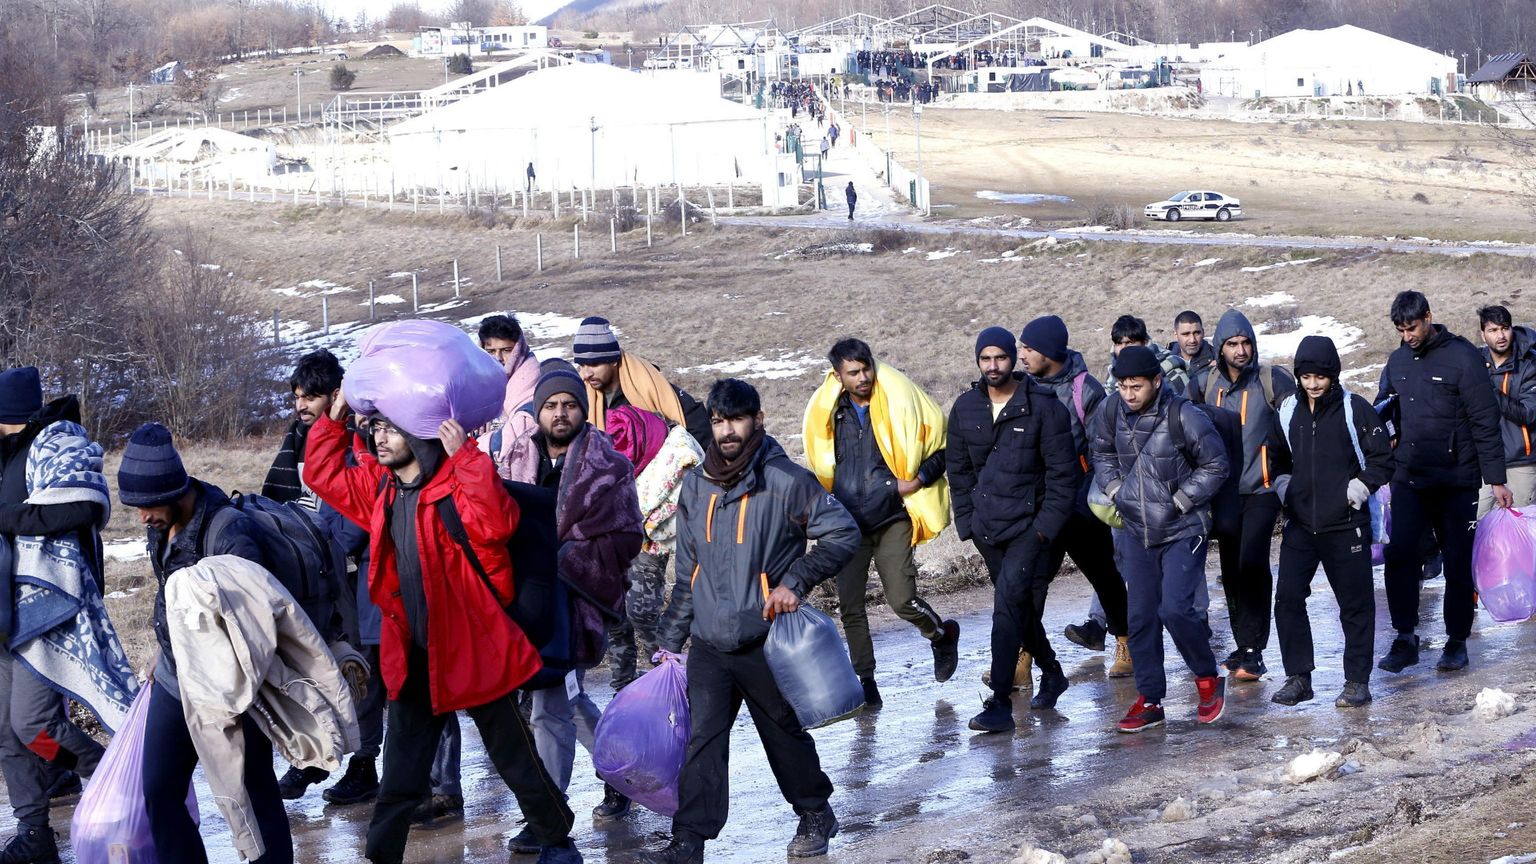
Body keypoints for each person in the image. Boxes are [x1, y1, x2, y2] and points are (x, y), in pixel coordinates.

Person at [304, 395, 581, 864]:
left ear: (419, 435)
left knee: (516, 759)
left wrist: (467, 457)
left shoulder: (455, 484)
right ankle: (380, 857)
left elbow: (497, 523)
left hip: (473, 649)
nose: (379, 438)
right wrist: (335, 419)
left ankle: (557, 841)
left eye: (391, 429)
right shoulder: (383, 489)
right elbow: (323, 475)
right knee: (400, 775)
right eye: (376, 428)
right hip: (414, 655)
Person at [642, 379, 859, 864]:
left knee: (781, 733)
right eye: (719, 421)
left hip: (765, 637)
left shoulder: (785, 481)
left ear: (757, 420)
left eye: (737, 419)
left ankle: (815, 812)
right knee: (702, 741)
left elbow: (843, 532)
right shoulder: (696, 486)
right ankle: (689, 841)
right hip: (709, 643)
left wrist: (794, 582)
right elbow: (689, 572)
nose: (727, 431)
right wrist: (670, 639)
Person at [122, 423, 293, 863]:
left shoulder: (230, 534)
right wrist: (162, 648)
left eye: (147, 505)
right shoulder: (161, 525)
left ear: (174, 491)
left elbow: (254, 625)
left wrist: (230, 691)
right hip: (175, 676)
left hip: (232, 684)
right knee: (159, 789)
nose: (142, 517)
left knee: (253, 789)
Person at [506, 365, 643, 852]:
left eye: (569, 404)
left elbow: (628, 535)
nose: (560, 413)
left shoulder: (609, 467)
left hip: (576, 600)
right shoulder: (516, 461)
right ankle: (623, 773)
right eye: (550, 405)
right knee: (567, 699)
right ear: (537, 411)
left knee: (548, 709)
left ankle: (548, 814)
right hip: (525, 602)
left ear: (582, 410)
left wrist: (567, 560)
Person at [0, 368, 130, 863]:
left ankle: (109, 772)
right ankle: (34, 832)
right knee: (8, 731)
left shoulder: (57, 443)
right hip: (3, 612)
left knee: (34, 724)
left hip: (44, 612)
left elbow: (79, 508)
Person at [802, 339, 960, 709]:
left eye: (866, 369)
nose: (863, 378)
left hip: (892, 518)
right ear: (838, 376)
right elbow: (820, 462)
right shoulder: (829, 414)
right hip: (847, 526)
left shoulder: (899, 404)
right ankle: (866, 682)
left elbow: (942, 446)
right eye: (853, 372)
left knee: (902, 600)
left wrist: (917, 480)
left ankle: (940, 635)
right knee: (850, 606)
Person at [259, 349, 381, 805]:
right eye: (296, 397)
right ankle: (313, 758)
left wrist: (330, 548)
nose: (302, 406)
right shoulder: (296, 441)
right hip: (311, 574)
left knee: (359, 671)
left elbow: (360, 509)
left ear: (336, 395)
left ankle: (364, 763)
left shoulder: (357, 439)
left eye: (310, 397)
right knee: (314, 666)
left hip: (350, 570)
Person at [1089, 347, 1230, 733]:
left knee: (1176, 610)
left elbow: (1216, 464)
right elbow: (1101, 451)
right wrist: (1115, 490)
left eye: (1136, 386)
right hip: (1137, 530)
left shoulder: (1183, 414)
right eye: (1123, 386)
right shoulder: (1111, 410)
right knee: (1140, 617)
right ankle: (1150, 699)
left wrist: (1181, 500)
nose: (1128, 394)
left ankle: (1208, 678)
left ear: (1156, 381)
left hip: (1184, 528)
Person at [947, 328, 1079, 733]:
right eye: (985, 358)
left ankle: (1000, 702)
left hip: (1029, 528)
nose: (993, 366)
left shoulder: (1044, 407)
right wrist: (968, 523)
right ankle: (1053, 672)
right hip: (987, 529)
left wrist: (1043, 530)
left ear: (1012, 359)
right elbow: (959, 472)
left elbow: (1063, 477)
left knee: (1005, 607)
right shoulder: (965, 408)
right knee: (1018, 608)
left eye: (1000, 357)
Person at [1375, 291, 1509, 674]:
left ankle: (1456, 641)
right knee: (1400, 555)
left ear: (1428, 317)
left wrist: (1496, 479)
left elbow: (1485, 420)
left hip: (1456, 481)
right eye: (1401, 330)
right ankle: (1405, 638)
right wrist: (1386, 438)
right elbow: (1383, 408)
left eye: (1412, 328)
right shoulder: (1398, 360)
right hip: (1409, 478)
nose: (1407, 336)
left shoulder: (1462, 358)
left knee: (1456, 562)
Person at [1269, 336, 1394, 708]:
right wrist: (1285, 490)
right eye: (1306, 376)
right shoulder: (1288, 410)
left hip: (1346, 524)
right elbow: (1275, 458)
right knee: (1287, 599)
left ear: (1333, 375)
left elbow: (1383, 458)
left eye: (1320, 377)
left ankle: (1356, 682)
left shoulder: (1355, 409)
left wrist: (1359, 487)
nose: (1313, 384)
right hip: (1300, 524)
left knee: (1355, 606)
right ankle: (1299, 678)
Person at [1015, 317, 1132, 678]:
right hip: (1042, 505)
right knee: (1033, 583)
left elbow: (1103, 449)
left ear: (1049, 352)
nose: (1021, 355)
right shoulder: (1022, 388)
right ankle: (1022, 659)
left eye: (1028, 348)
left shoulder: (1086, 389)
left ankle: (1126, 644)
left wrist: (1089, 497)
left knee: (1105, 577)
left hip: (1080, 506)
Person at [1189, 309, 1295, 682]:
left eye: (1246, 342)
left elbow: (1298, 423)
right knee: (1232, 571)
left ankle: (1254, 650)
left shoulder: (1271, 380)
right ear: (1220, 347)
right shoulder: (1203, 384)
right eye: (1232, 344)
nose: (1240, 350)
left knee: (1252, 563)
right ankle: (1243, 645)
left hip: (1262, 489)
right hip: (1223, 492)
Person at [604, 404, 704, 692]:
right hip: (615, 535)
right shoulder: (611, 431)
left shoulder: (668, 449)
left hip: (648, 539)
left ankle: (668, 671)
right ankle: (623, 684)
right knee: (613, 611)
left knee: (641, 610)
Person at [573, 317, 711, 447]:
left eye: (594, 364)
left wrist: (682, 458)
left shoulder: (648, 384)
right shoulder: (581, 395)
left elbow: (698, 423)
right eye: (582, 365)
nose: (586, 374)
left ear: (613, 360)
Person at [1476, 305, 1536, 516]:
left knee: (1519, 524)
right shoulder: (1474, 363)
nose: (1500, 336)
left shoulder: (1529, 365)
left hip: (1520, 461)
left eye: (1505, 328)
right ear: (1483, 334)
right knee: (1478, 523)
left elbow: (1528, 413)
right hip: (1483, 461)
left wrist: (1488, 389)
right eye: (1493, 330)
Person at [477, 313, 543, 482]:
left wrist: (475, 446)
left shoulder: (530, 376)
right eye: (491, 351)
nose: (498, 358)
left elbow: (524, 428)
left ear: (518, 349)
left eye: (506, 350)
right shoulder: (482, 380)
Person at [1104, 315, 1188, 395]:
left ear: (1144, 343)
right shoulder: (1114, 370)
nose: (1123, 349)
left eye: (1129, 342)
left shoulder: (1171, 370)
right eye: (1118, 343)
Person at [1169, 310, 1217, 379]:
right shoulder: (1164, 361)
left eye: (1197, 333)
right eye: (1186, 334)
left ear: (1203, 333)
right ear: (1176, 335)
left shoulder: (1218, 361)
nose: (1192, 340)